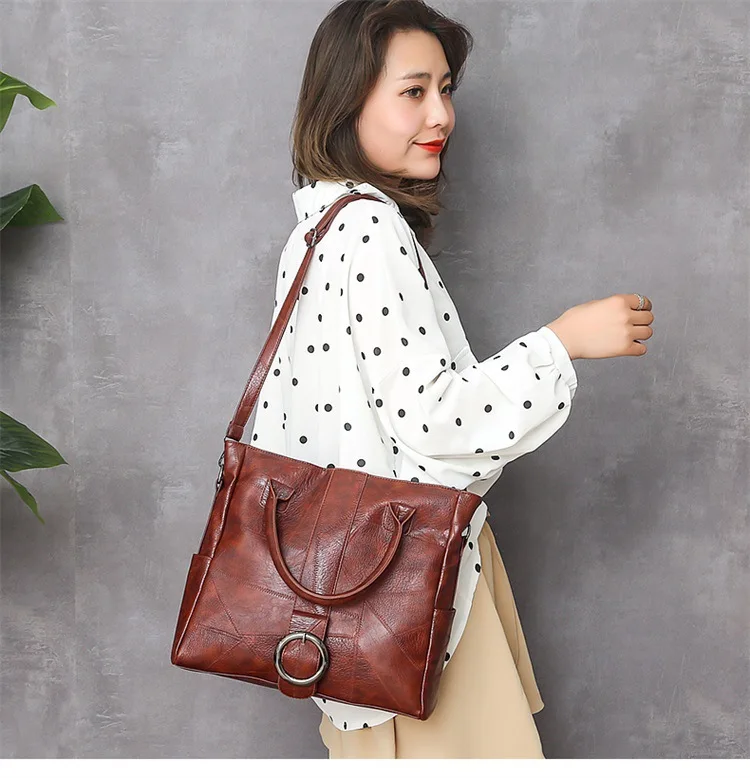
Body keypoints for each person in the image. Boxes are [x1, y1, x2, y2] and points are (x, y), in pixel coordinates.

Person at [250, 0, 655, 759]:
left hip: (347, 595)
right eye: (413, 91)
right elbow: (436, 424)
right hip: (408, 592)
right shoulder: (369, 228)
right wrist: (562, 343)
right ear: (346, 101)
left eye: (445, 89)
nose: (440, 114)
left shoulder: (316, 230)